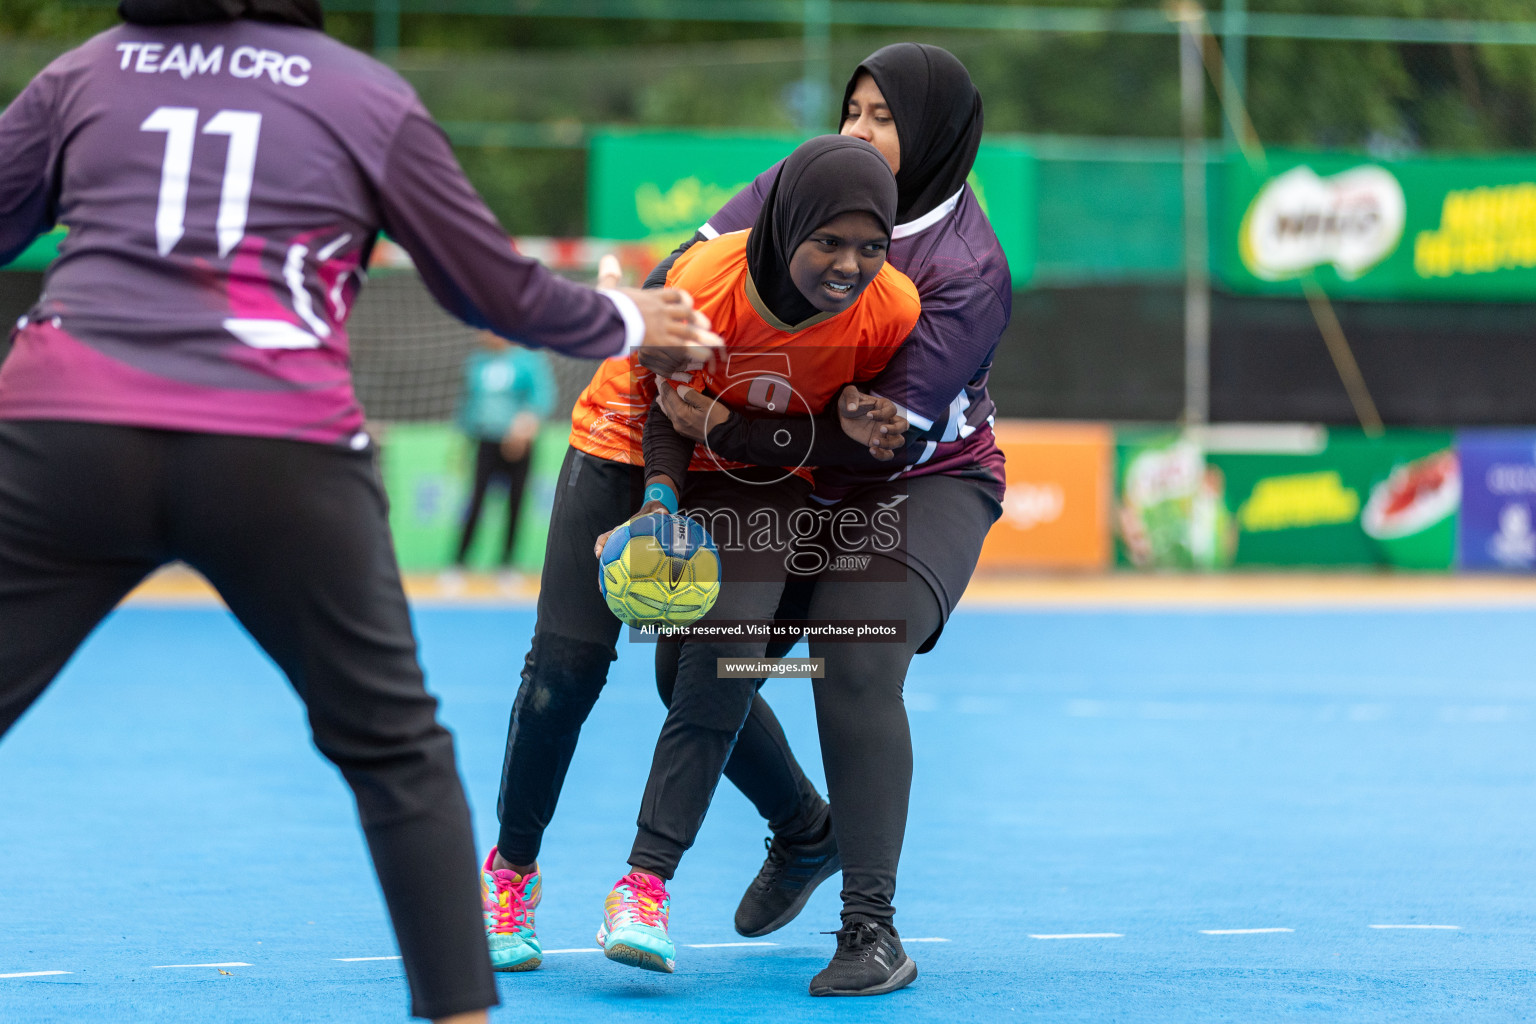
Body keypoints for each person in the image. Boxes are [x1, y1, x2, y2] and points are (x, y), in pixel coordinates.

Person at [0, 2, 715, 1022]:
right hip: (275, 444)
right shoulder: (357, 90)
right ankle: (460, 1007)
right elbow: (492, 291)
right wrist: (624, 315)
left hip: (66, 427)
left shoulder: (84, 74)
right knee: (396, 751)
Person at [479, 138, 909, 975]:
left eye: (870, 247)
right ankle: (511, 873)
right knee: (565, 669)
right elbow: (661, 407)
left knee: (726, 663)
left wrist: (844, 429)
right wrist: (657, 505)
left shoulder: (892, 310)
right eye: (829, 241)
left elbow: (862, 444)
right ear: (786, 227)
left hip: (765, 466)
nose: (848, 266)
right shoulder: (704, 285)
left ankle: (644, 886)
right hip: (630, 443)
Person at [643, 42, 1010, 997]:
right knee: (688, 659)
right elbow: (688, 269)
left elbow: (873, 445)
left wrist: (726, 421)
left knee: (857, 648)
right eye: (853, 108)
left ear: (932, 134)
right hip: (796, 466)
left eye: (884, 117)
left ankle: (873, 928)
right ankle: (806, 831)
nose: (858, 130)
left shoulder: (966, 270)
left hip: (921, 480)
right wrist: (661, 319)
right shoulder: (806, 181)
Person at [453, 333, 556, 569]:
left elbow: (541, 398)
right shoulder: (476, 363)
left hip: (518, 444)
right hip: (485, 440)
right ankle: (459, 562)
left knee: (516, 501)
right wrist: (465, 440)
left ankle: (507, 563)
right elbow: (469, 404)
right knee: (476, 500)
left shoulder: (528, 361)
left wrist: (524, 427)